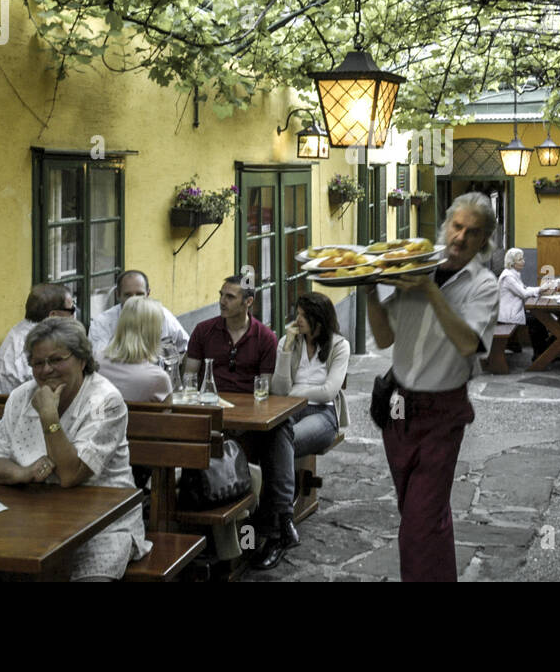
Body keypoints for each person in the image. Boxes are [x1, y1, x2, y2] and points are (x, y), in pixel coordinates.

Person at [365, 192, 499, 582]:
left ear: (483, 240)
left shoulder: (484, 286)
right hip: (396, 408)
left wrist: (429, 291)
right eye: (457, 226)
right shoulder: (415, 266)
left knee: (417, 528)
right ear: (446, 225)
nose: (460, 238)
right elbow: (384, 337)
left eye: (472, 233)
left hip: (442, 413)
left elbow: (467, 344)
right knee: (422, 514)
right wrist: (369, 288)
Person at [0, 317, 150, 581]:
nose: (46, 370)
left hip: (100, 527)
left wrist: (49, 418)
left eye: (57, 360)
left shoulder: (105, 401)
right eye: (37, 362)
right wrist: (22, 473)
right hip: (31, 520)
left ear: (81, 359)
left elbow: (70, 475)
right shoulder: (21, 396)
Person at [184, 277, 283, 552]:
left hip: (248, 419)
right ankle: (213, 539)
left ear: (248, 302)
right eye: (221, 295)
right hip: (211, 412)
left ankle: (250, 533)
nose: (222, 301)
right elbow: (189, 377)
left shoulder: (265, 337)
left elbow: (264, 386)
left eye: (230, 297)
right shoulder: (204, 330)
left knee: (253, 450)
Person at [256, 292, 350, 570]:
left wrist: (295, 394)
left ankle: (270, 526)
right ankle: (283, 522)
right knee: (277, 434)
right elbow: (278, 389)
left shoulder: (339, 346)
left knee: (275, 442)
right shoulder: (288, 341)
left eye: (303, 316)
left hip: (323, 415)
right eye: (297, 313)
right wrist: (285, 351)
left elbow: (329, 391)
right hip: (288, 415)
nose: (297, 320)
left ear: (320, 321)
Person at [0, 283, 77, 394]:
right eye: (71, 310)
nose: (74, 316)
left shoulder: (19, 331)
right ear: (53, 315)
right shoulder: (40, 346)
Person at [88, 270, 189, 360]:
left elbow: (187, 349)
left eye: (139, 294)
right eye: (128, 295)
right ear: (117, 294)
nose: (134, 300)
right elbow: (99, 361)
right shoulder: (102, 323)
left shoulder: (162, 316)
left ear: (148, 294)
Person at [98, 296, 173, 403]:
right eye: (160, 325)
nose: (161, 330)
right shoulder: (158, 378)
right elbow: (168, 417)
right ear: (153, 332)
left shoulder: (96, 363)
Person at [497, 247, 554, 358]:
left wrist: (540, 289)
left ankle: (545, 352)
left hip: (514, 310)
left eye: (523, 258)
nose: (523, 261)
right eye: (520, 259)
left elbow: (525, 288)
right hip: (508, 314)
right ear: (512, 263)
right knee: (536, 319)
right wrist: (540, 289)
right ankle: (540, 354)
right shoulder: (508, 277)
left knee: (539, 317)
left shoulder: (514, 274)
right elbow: (523, 293)